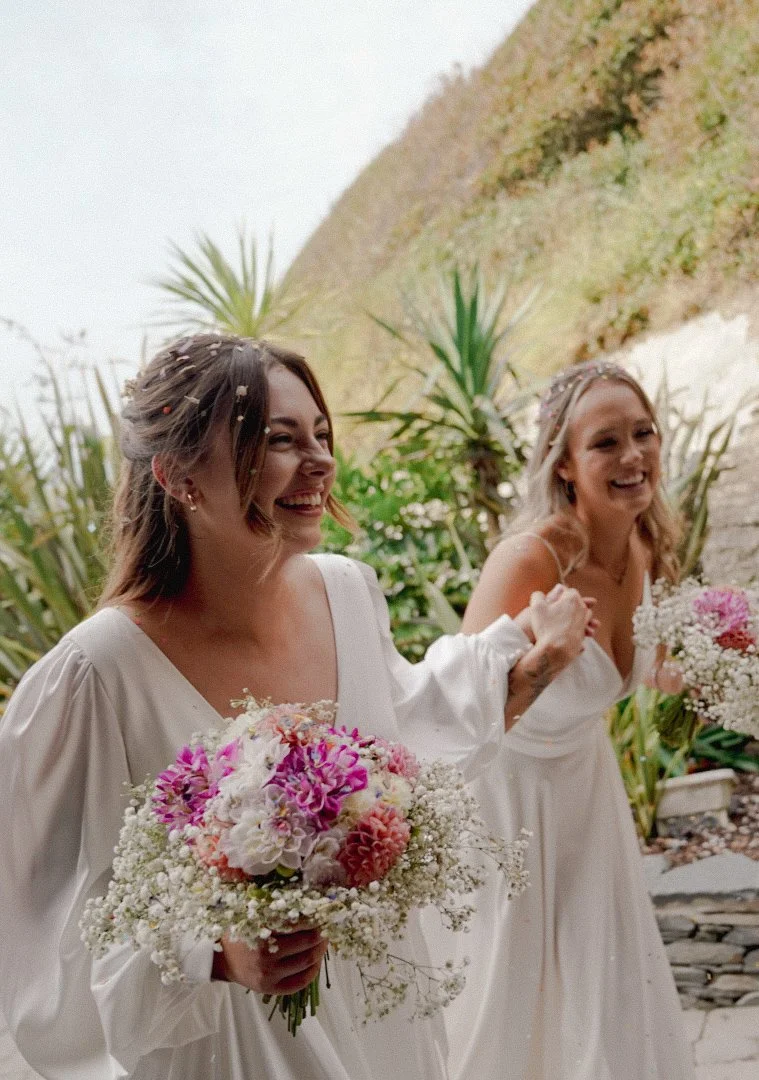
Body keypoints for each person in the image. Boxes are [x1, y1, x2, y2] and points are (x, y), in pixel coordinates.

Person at [0, 335, 594, 1080]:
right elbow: (42, 927)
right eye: (278, 440)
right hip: (230, 1052)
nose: (318, 461)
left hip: (381, 1030)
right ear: (180, 476)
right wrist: (214, 952)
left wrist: (531, 663)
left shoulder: (347, 590)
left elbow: (409, 732)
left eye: (320, 434)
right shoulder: (98, 672)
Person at [438, 360, 694, 1079]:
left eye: (642, 433)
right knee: (505, 996)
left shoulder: (645, 548)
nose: (632, 456)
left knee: (604, 984)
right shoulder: (529, 560)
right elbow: (457, 710)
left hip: (587, 794)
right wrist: (546, 656)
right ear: (564, 465)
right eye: (605, 442)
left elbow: (654, 672)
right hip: (505, 805)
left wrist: (711, 667)